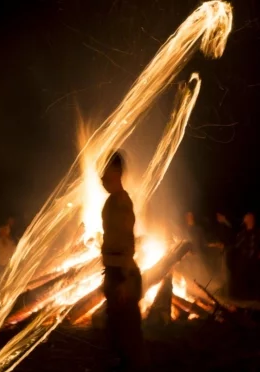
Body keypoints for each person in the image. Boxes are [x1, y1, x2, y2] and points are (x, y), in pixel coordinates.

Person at [100, 151, 147, 371]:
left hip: (122, 274)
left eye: (106, 172)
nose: (102, 178)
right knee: (115, 334)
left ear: (117, 173)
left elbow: (127, 240)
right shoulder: (110, 202)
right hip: (113, 272)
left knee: (126, 334)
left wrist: (126, 279)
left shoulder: (121, 202)